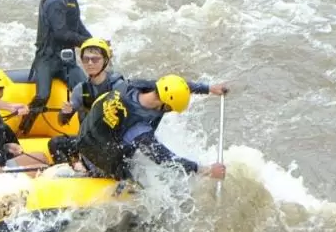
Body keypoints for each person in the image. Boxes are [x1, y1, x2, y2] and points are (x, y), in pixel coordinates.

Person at [59, 75, 228, 181]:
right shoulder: (138, 128)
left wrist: (209, 89)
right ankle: (84, 169)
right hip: (98, 161)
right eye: (170, 109)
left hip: (85, 136)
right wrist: (205, 170)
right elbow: (166, 159)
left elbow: (175, 87)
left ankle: (80, 162)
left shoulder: (134, 85)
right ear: (164, 105)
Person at [18, 0, 93, 135]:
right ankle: (22, 130)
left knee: (86, 93)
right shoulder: (55, 2)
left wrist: (93, 42)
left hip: (66, 61)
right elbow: (61, 33)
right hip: (47, 59)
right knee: (43, 95)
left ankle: (86, 134)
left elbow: (77, 26)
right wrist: (84, 43)